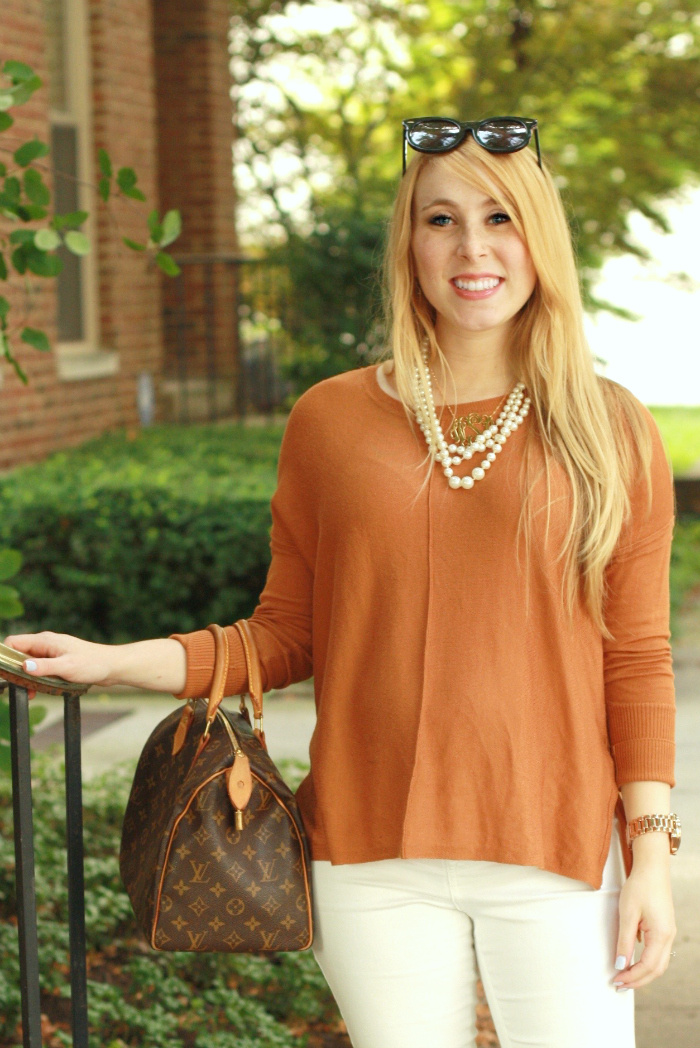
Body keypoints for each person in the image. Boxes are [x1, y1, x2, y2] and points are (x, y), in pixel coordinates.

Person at [6, 116, 680, 1048]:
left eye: (501, 217)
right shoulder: (331, 418)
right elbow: (286, 632)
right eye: (441, 219)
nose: (473, 247)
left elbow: (637, 656)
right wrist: (110, 661)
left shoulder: (611, 428)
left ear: (542, 239)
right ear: (410, 242)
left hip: (557, 852)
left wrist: (652, 856)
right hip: (370, 858)